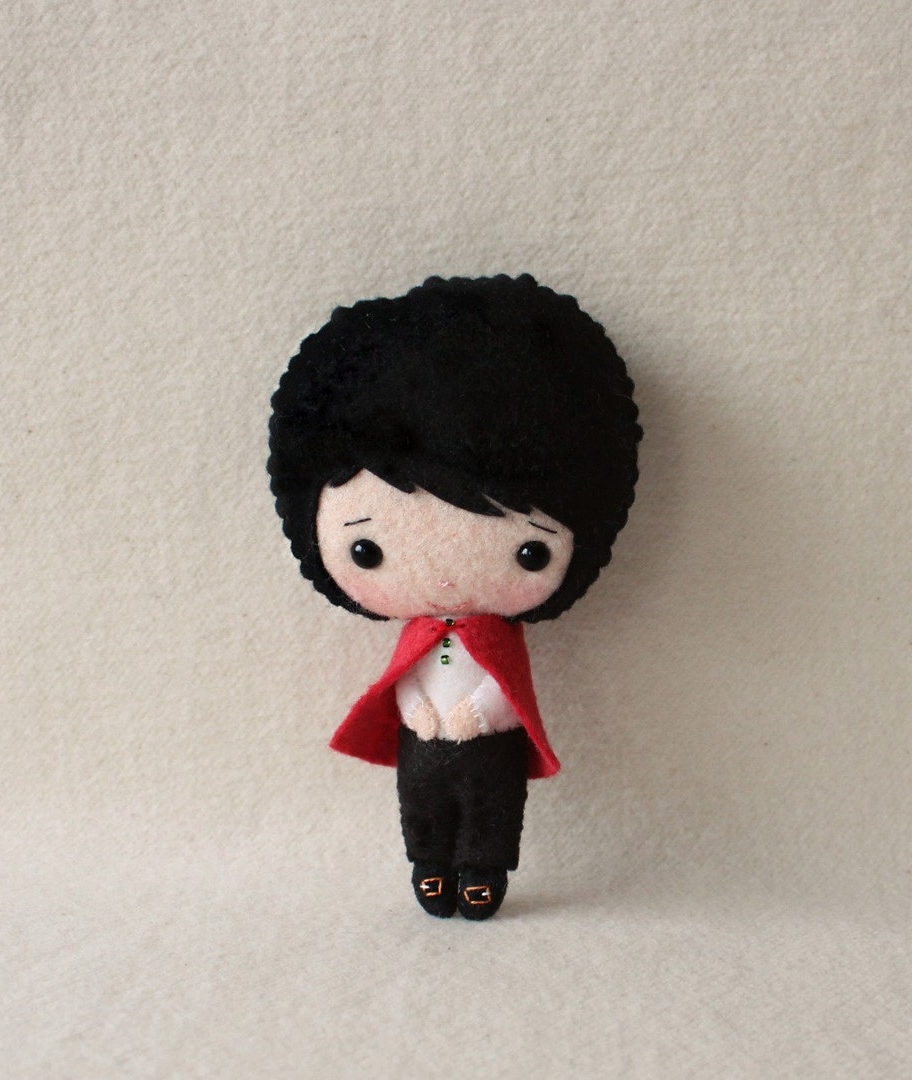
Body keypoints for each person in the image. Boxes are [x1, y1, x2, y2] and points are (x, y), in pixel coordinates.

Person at [268, 273, 641, 919]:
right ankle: (430, 865)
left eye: (528, 552)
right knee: (421, 804)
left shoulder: (495, 638)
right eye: (368, 550)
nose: (444, 578)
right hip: (423, 742)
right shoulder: (423, 637)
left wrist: (476, 710)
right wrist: (416, 707)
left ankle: (482, 872)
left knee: (493, 807)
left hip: (486, 741)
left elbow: (503, 686)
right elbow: (409, 677)